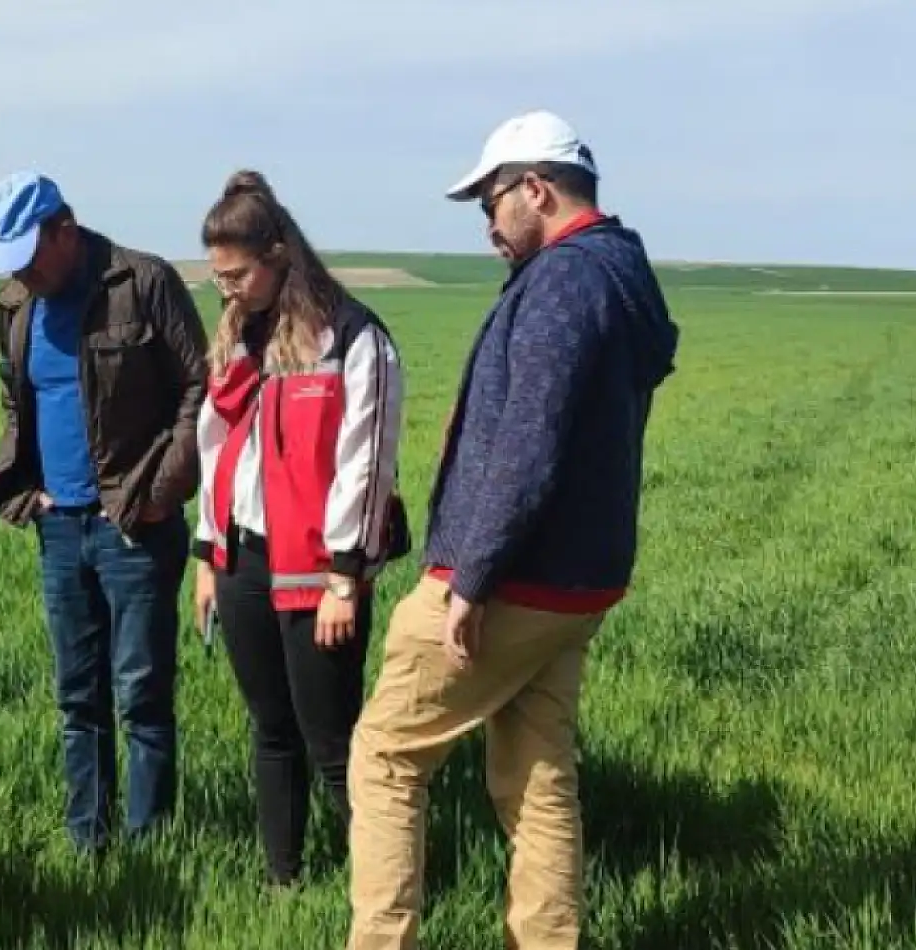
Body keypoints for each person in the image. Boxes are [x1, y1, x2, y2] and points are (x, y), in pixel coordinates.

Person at [345, 110, 681, 949]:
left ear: (536, 188)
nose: (488, 224)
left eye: (491, 202)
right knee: (537, 775)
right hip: (578, 580)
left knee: (385, 756)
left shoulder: (566, 282)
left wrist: (473, 576)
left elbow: (531, 439)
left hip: (512, 578)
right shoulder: (622, 271)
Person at [0, 171, 209, 853]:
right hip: (58, 528)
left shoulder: (142, 284)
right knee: (78, 698)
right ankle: (87, 841)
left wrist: (157, 492)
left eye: (27, 252)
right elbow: (18, 402)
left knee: (141, 695)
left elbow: (200, 388)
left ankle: (148, 847)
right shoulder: (14, 305)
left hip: (133, 526)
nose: (19, 269)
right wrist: (31, 495)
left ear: (65, 230)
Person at [190, 170, 408, 888]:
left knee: (333, 742)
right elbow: (216, 449)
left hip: (320, 575)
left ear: (280, 253)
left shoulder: (350, 337)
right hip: (243, 563)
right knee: (271, 731)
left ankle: (374, 895)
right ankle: (283, 881)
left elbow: (365, 463)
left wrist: (348, 578)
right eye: (217, 276)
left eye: (238, 274)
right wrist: (206, 556)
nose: (227, 290)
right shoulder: (237, 338)